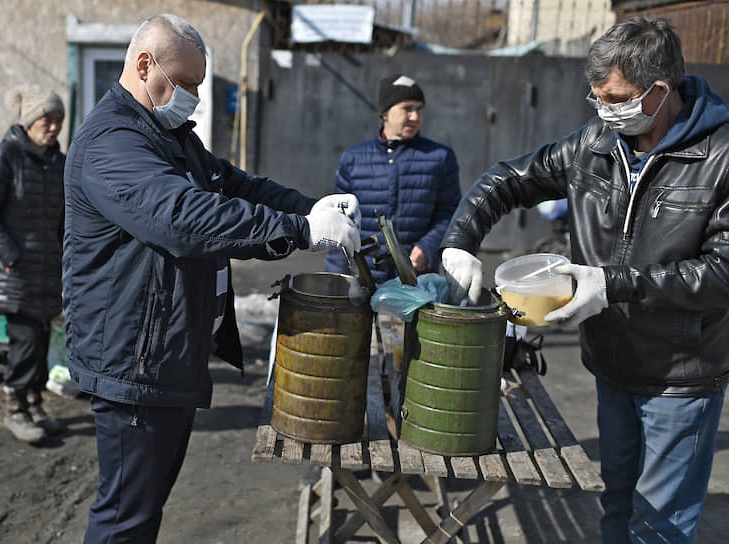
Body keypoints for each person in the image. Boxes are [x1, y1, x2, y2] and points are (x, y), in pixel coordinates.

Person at [62, 14, 360, 542]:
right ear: (144, 64)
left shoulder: (168, 133)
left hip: (166, 352)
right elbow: (183, 218)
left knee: (143, 509)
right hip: (134, 358)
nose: (194, 98)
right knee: (124, 517)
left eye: (199, 86)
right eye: (186, 85)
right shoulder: (112, 143)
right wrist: (300, 230)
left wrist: (309, 207)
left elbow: (233, 185)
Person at [440, 16, 729, 543]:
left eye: (615, 97)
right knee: (616, 497)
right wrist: (460, 239)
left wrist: (613, 283)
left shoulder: (721, 157)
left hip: (679, 374)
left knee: (659, 524)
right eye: (596, 98)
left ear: (660, 91)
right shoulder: (596, 142)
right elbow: (509, 179)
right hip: (611, 362)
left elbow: (722, 271)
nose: (603, 110)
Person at [0, 85, 67, 443]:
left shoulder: (59, 162)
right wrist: (10, 255)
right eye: (47, 119)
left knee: (42, 342)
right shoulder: (3, 156)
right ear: (29, 121)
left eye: (59, 120)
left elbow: (63, 218)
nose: (54, 126)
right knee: (24, 342)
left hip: (48, 270)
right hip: (15, 271)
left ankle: (34, 403)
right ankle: (15, 409)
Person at [325, 73, 461, 285]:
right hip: (363, 280)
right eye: (407, 108)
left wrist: (428, 247)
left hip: (415, 282)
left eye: (419, 109)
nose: (415, 116)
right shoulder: (353, 159)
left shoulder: (440, 158)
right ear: (385, 113)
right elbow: (339, 223)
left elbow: (450, 214)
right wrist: (334, 280)